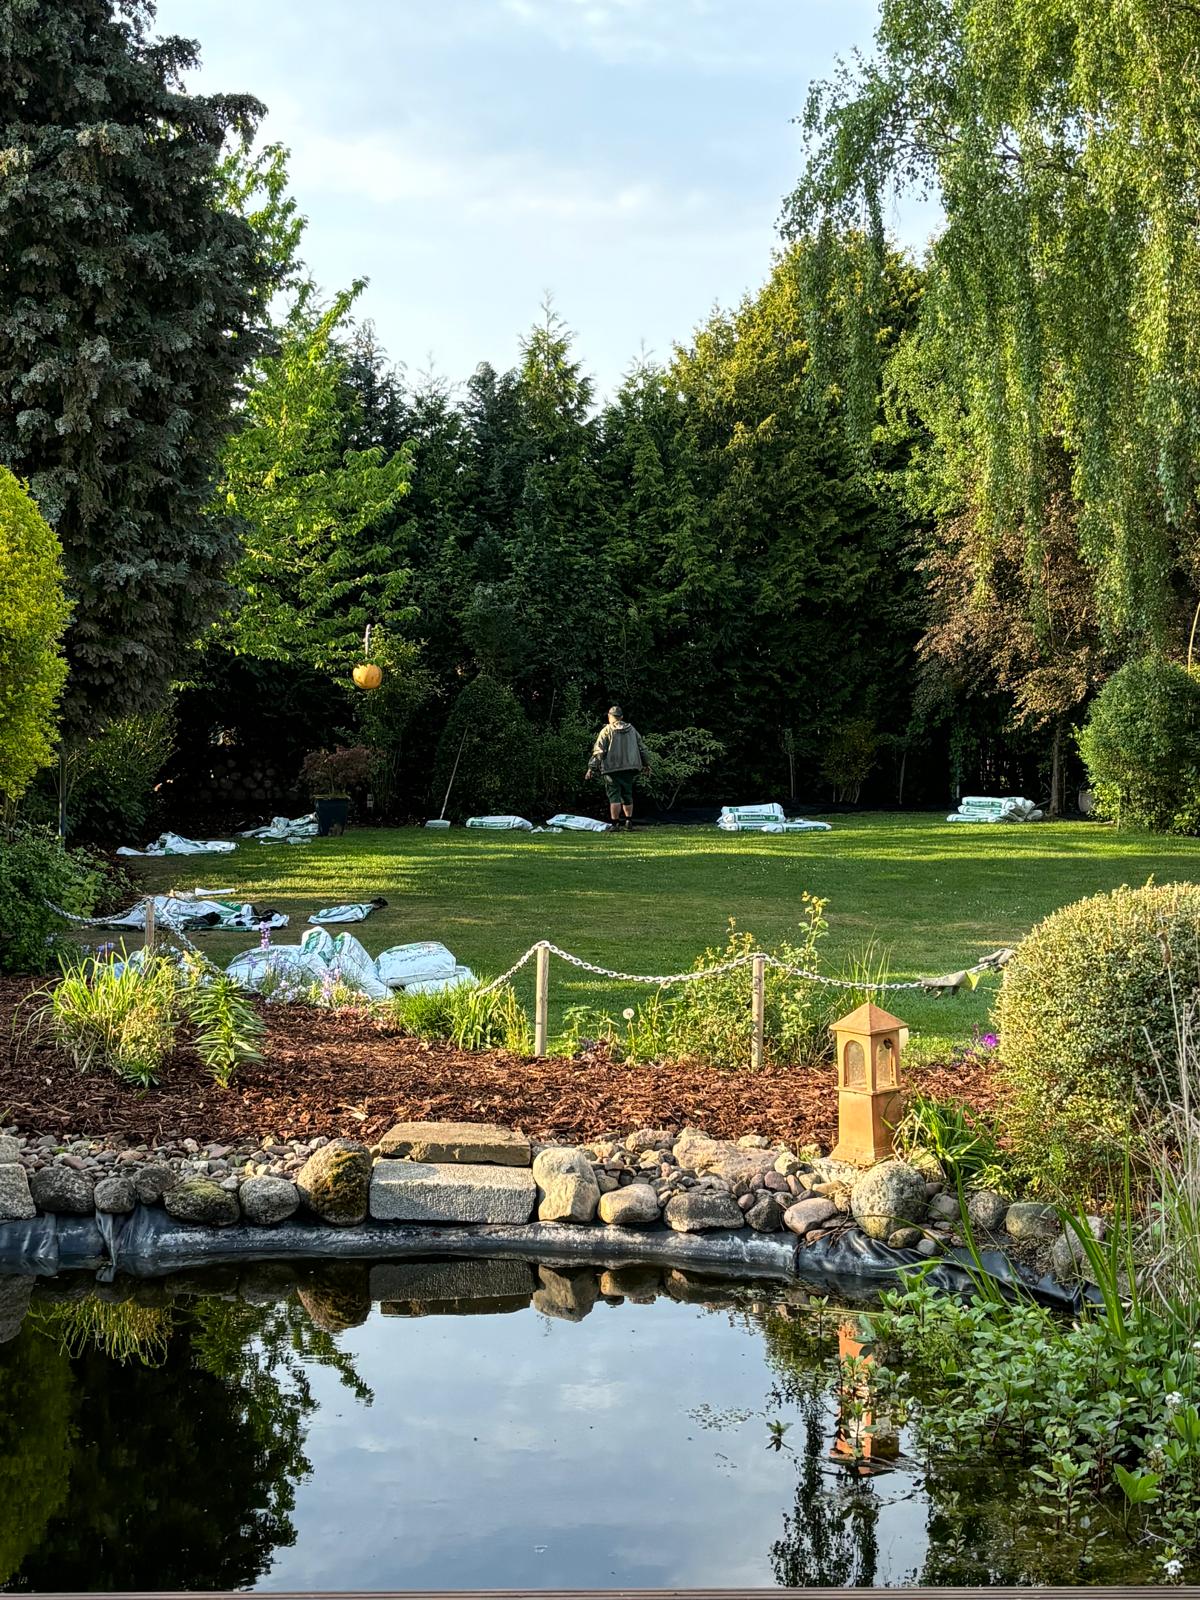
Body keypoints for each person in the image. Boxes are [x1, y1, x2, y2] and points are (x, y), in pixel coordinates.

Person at [586, 704, 651, 830]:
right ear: (621, 717)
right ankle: (628, 822)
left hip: (611, 768)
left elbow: (598, 751)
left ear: (610, 716)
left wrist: (591, 768)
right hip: (630, 768)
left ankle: (615, 824)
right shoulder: (632, 730)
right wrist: (647, 764)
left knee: (614, 796)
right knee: (627, 794)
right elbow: (643, 748)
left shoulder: (606, 730)